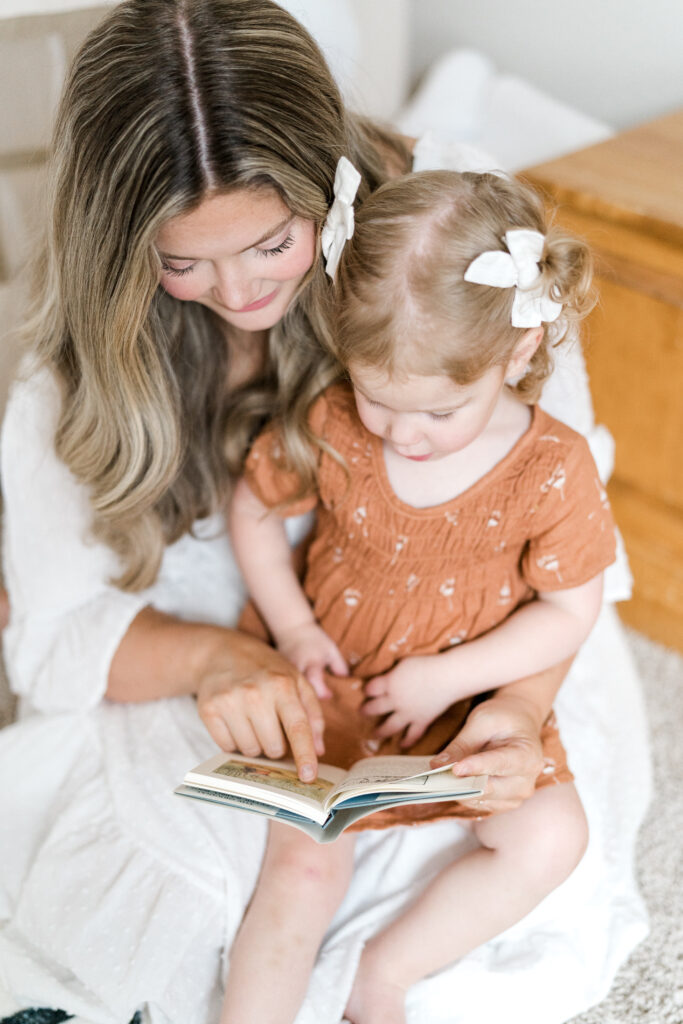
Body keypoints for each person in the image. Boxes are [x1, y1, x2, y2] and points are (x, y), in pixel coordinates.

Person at [0, 2, 648, 1023]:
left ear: (329, 196)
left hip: (484, 648)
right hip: (301, 652)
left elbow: (556, 576)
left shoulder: (457, 264)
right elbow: (58, 639)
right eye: (183, 262)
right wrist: (234, 655)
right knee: (188, 890)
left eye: (270, 245)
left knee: (530, 900)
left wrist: (516, 709)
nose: (235, 291)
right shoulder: (89, 372)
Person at [227, 168, 615, 1024]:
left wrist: (451, 681)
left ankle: (387, 974)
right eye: (377, 397)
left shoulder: (551, 468)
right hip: (334, 682)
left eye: (440, 412)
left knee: (551, 836)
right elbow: (253, 510)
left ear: (516, 353)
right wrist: (291, 631)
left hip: (466, 699)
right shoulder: (333, 422)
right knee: (300, 867)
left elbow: (569, 611)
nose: (403, 434)